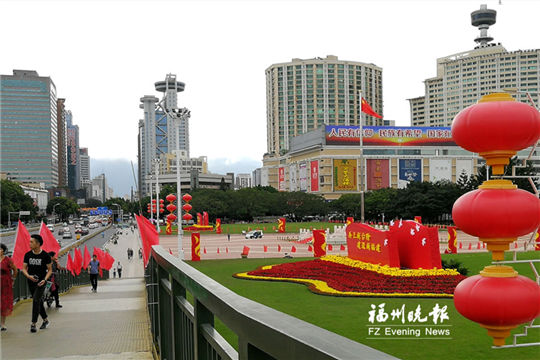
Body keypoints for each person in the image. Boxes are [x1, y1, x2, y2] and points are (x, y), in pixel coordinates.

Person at [21, 235, 52, 333]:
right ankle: (46, 320)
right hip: (31, 282)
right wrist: (28, 276)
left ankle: (33, 324)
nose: (29, 244)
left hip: (41, 282)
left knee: (35, 300)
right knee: (38, 301)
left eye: (32, 242)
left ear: (38, 244)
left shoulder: (45, 256)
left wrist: (45, 280)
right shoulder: (28, 255)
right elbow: (24, 269)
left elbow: (50, 270)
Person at [1, 243, 18, 331]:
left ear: (3, 250)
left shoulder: (8, 260)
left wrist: (13, 280)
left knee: (4, 303)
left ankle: (3, 324)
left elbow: (15, 270)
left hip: (5, 284)